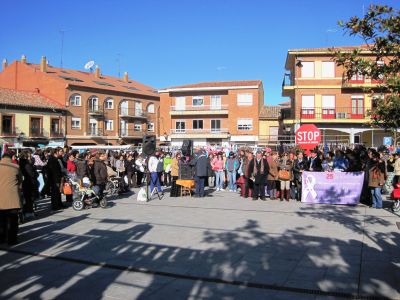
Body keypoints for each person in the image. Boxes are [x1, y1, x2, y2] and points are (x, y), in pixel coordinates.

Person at [0, 152, 22, 245]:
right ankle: (12, 240)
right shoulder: (16, 167)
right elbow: (20, 180)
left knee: (1, 220)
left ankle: (1, 238)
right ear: (11, 158)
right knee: (13, 221)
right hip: (13, 198)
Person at [19, 151, 37, 218]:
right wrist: (34, 170)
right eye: (29, 156)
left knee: (27, 198)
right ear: (25, 156)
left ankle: (27, 212)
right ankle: (29, 212)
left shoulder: (22, 162)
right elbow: (31, 174)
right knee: (29, 198)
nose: (30, 157)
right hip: (29, 182)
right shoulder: (26, 164)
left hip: (26, 182)